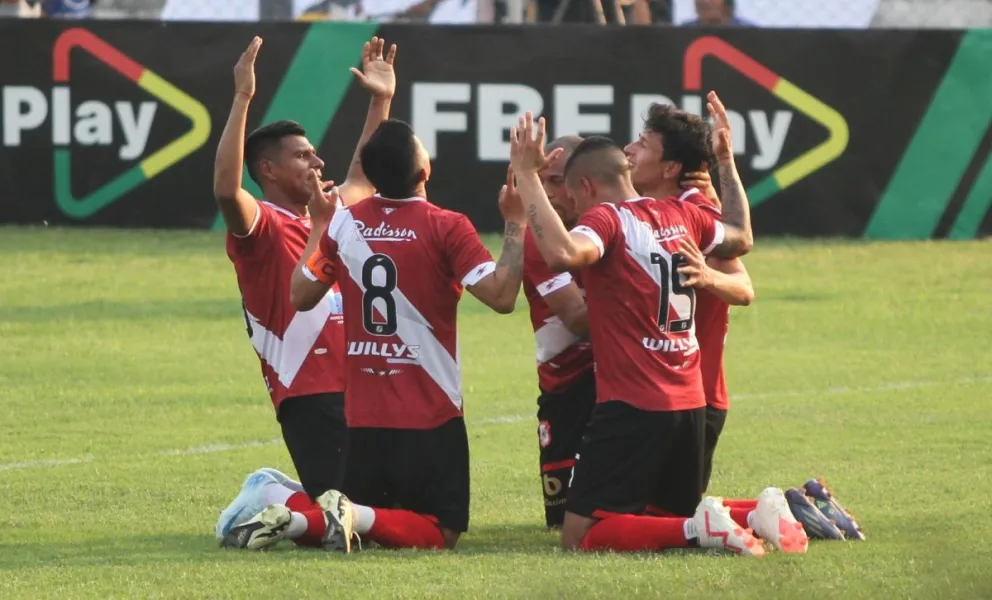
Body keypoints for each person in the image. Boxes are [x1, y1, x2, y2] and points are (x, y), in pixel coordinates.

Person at [224, 118, 528, 552]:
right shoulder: (447, 225)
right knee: (440, 532)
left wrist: (321, 228)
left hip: (362, 415)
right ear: (425, 170)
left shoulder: (345, 225)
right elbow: (501, 295)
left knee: (372, 526)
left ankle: (299, 517)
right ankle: (321, 513)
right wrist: (516, 223)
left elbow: (301, 294)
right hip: (429, 409)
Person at [511, 105, 797, 556]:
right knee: (658, 516)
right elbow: (741, 235)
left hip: (633, 403)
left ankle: (701, 531)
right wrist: (726, 163)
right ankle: (750, 516)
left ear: (586, 187)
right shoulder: (682, 214)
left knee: (577, 535)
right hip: (690, 402)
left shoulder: (606, 219)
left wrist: (526, 177)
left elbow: (564, 254)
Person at [627, 100, 863, 541]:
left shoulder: (695, 210)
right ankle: (800, 503)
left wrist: (706, 275)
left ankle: (792, 506)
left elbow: (744, 287)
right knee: (663, 510)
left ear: (671, 167)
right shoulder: (650, 208)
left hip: (693, 393)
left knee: (666, 518)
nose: (628, 150)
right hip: (665, 390)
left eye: (641, 143)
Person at [212, 36, 398, 548]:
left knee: (372, 513)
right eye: (302, 156)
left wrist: (380, 100)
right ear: (268, 170)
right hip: (306, 388)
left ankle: (283, 495)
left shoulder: (330, 212)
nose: (317, 163)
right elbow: (226, 190)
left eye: (315, 153)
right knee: (342, 523)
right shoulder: (261, 226)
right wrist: (243, 97)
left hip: (361, 379)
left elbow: (364, 175)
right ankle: (268, 493)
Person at [522, 135, 598, 530]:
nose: (549, 193)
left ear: (583, 183)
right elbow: (577, 319)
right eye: (542, 181)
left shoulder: (612, 224)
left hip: (616, 383)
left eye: (556, 181)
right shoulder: (540, 238)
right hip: (563, 386)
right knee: (561, 522)